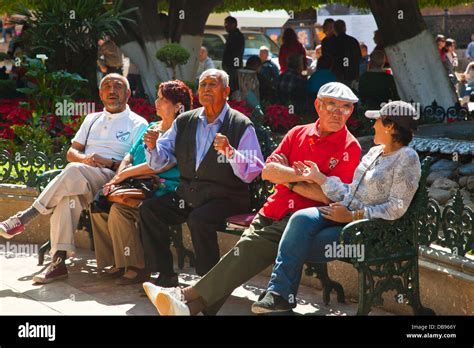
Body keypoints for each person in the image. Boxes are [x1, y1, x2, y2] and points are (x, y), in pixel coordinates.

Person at [142, 82, 362, 316]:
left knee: (245, 250)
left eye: (346, 108)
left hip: (300, 221)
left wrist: (288, 178)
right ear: (318, 105)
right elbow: (267, 171)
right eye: (332, 105)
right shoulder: (297, 132)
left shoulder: (350, 147)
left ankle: (185, 296)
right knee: (241, 255)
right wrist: (302, 179)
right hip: (270, 210)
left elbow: (330, 195)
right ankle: (190, 309)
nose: (338, 113)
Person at [251, 100, 421, 313]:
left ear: (390, 127)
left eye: (377, 121)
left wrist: (352, 216)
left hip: (371, 229)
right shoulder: (375, 152)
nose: (373, 125)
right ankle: (279, 294)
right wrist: (319, 177)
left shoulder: (407, 157)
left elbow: (397, 207)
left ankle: (280, 294)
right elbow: (350, 192)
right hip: (344, 213)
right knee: (300, 218)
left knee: (300, 243)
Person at [0, 74, 149, 284]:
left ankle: (26, 217)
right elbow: (72, 152)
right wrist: (86, 159)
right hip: (83, 177)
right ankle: (58, 263)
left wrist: (108, 162)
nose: (112, 90)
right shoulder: (91, 119)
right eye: (107, 86)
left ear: (128, 93)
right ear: (100, 93)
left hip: (113, 180)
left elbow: (136, 163)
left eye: (118, 86)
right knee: (66, 199)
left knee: (73, 171)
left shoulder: (138, 123)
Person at [139, 69, 264, 287]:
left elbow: (254, 169)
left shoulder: (240, 124)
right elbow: (161, 159)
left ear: (226, 91)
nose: (206, 89)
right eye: (202, 85)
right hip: (189, 195)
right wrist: (152, 147)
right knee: (149, 210)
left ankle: (208, 285)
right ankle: (165, 274)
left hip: (227, 197)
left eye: (212, 85)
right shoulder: (185, 121)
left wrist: (230, 152)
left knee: (199, 219)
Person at [91, 80, 192, 285]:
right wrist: (118, 178)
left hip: (159, 188)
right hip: (134, 183)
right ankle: (119, 262)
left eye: (163, 99)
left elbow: (159, 165)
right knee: (100, 205)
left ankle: (138, 267)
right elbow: (129, 155)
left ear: (178, 105)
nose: (157, 102)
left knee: (121, 210)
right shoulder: (153, 126)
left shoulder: (181, 131)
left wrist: (123, 176)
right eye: (158, 97)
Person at [331, 20, 361, 87]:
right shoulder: (353, 41)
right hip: (353, 74)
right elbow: (359, 58)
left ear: (334, 29)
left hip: (338, 75)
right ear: (345, 28)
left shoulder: (333, 42)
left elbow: (331, 59)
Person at [222, 16, 244, 93]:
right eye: (225, 23)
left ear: (233, 24)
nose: (225, 26)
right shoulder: (232, 35)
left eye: (227, 23)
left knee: (232, 88)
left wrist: (234, 67)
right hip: (231, 67)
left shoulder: (236, 35)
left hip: (233, 67)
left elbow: (237, 53)